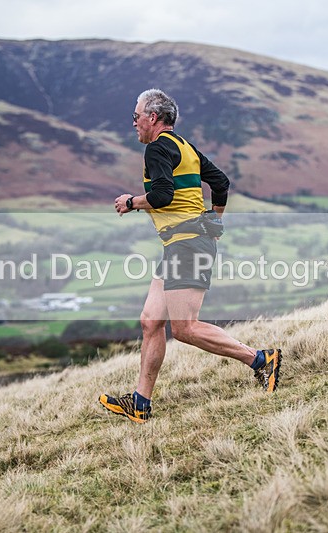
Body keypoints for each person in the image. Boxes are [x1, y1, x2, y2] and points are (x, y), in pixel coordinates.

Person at [98, 88, 281, 424]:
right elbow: (221, 182)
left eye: (136, 116)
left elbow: (163, 195)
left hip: (187, 245)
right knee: (151, 321)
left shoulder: (157, 148)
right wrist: (215, 219)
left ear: (153, 118)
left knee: (184, 328)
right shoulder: (185, 147)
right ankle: (140, 404)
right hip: (181, 244)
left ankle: (260, 360)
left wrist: (130, 202)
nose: (133, 122)